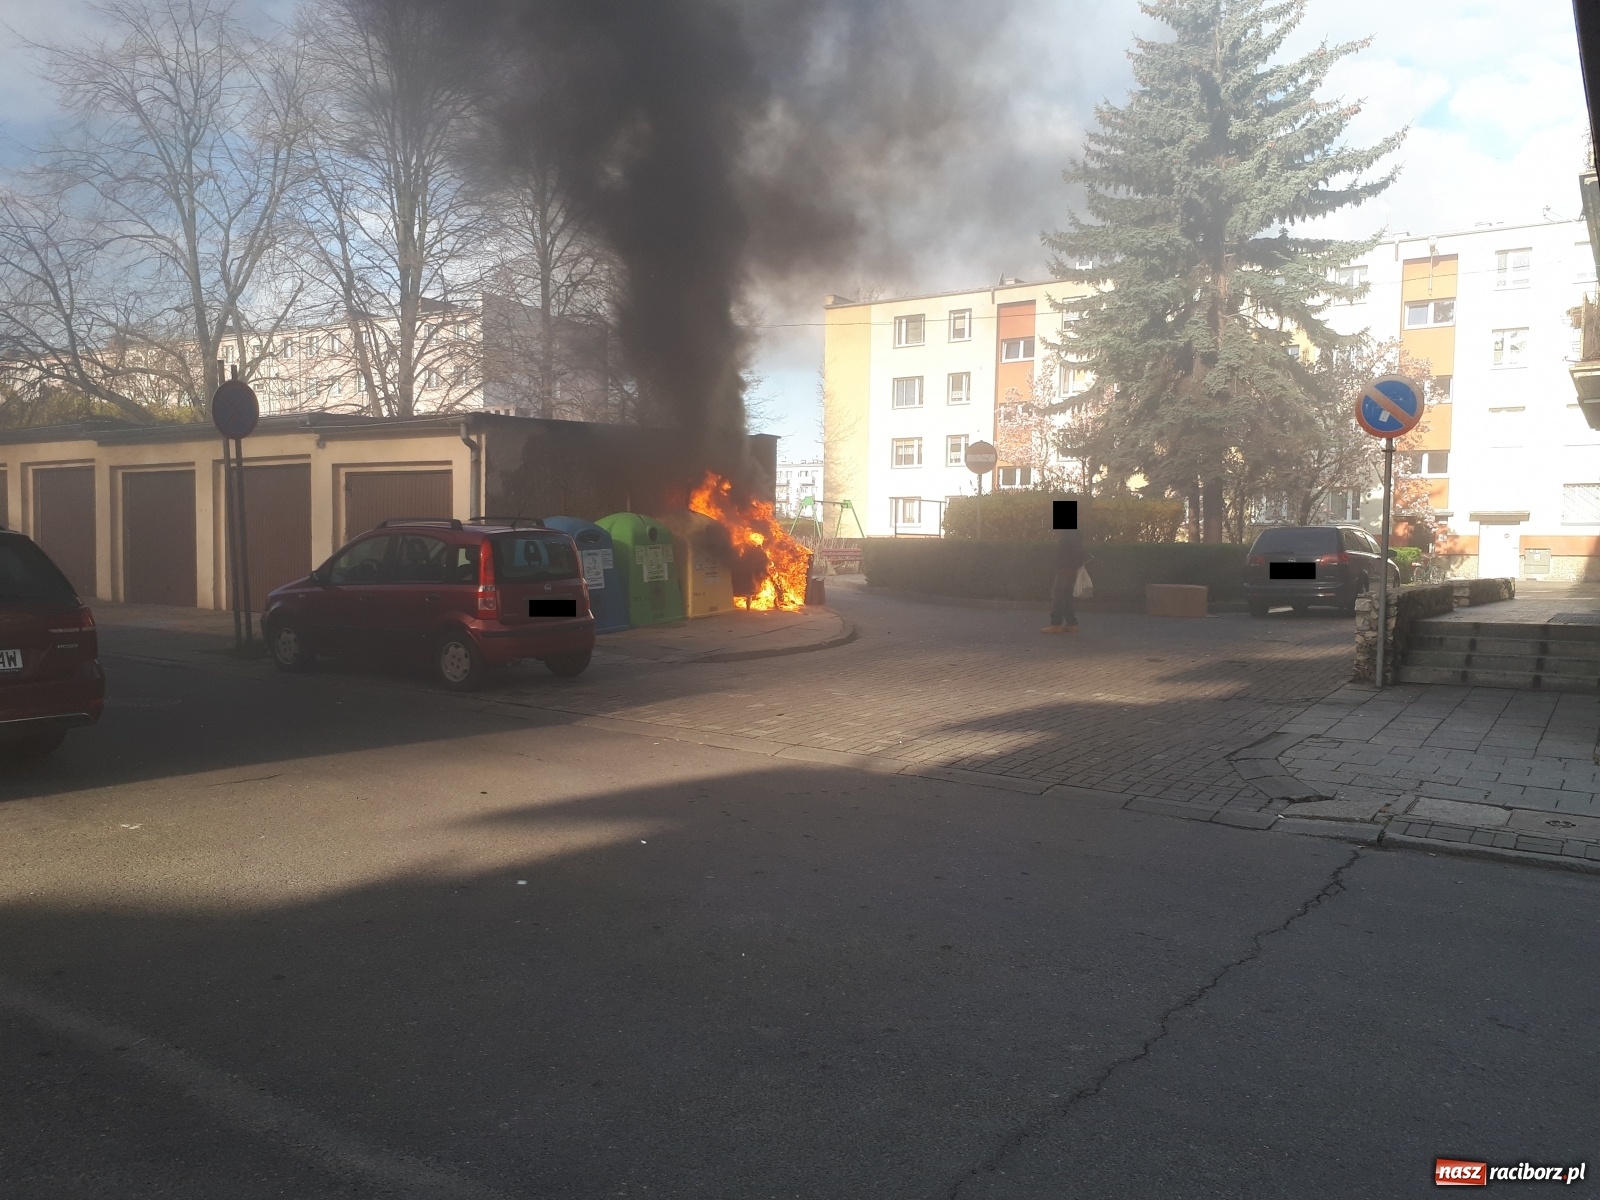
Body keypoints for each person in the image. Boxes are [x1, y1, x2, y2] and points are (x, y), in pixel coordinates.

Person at [1042, 526, 1087, 634]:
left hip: (1065, 568)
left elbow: (1068, 552)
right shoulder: (1074, 532)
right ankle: (1071, 623)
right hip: (1070, 568)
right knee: (1067, 595)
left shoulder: (1068, 533)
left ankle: (1056, 623)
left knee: (1058, 594)